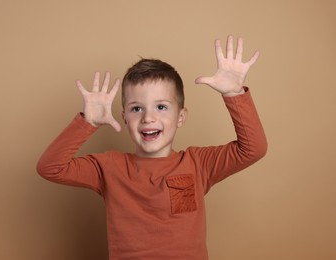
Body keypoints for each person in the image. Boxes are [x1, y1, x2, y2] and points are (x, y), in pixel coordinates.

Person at [36, 35, 267, 260]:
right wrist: (88, 122)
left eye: (161, 107)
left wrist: (234, 94)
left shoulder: (198, 164)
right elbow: (50, 168)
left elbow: (253, 149)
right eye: (137, 109)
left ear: (181, 117)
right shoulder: (108, 168)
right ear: (124, 116)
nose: (148, 117)